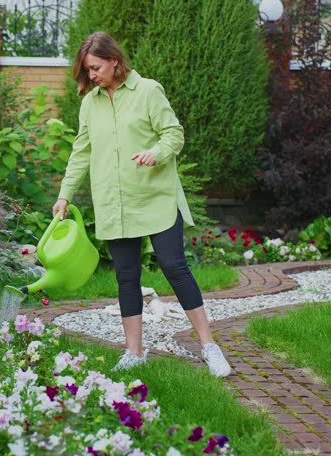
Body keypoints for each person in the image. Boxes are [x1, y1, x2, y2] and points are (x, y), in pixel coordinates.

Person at [52, 31, 232, 377]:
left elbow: (174, 134)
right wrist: (65, 194)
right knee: (126, 277)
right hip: (114, 201)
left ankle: (210, 346)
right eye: (87, 70)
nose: (92, 76)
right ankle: (134, 352)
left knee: (174, 267)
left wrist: (157, 153)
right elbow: (81, 153)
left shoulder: (148, 90)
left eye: (96, 67)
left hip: (155, 197)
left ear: (114, 60)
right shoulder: (90, 103)